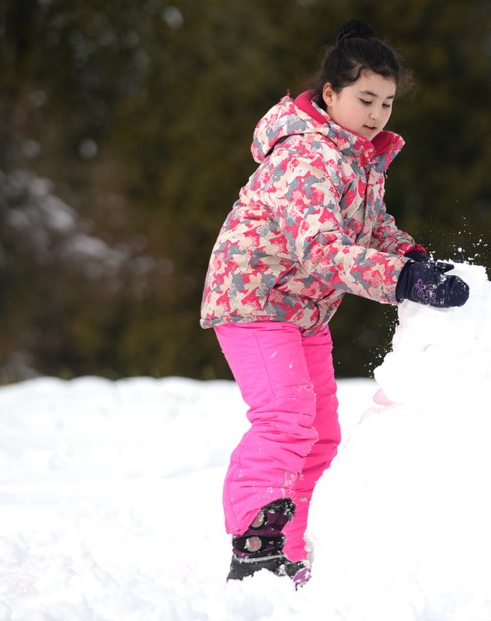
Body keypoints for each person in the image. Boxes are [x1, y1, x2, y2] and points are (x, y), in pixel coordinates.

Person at [199, 19, 469, 588]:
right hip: (255, 299)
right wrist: (402, 280)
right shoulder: (308, 156)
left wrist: (414, 258)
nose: (376, 114)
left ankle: (288, 553)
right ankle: (255, 543)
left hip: (304, 308)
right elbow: (322, 251)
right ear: (330, 94)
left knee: (321, 431)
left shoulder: (359, 158)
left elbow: (369, 230)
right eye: (364, 99)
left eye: (388, 103)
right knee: (285, 420)